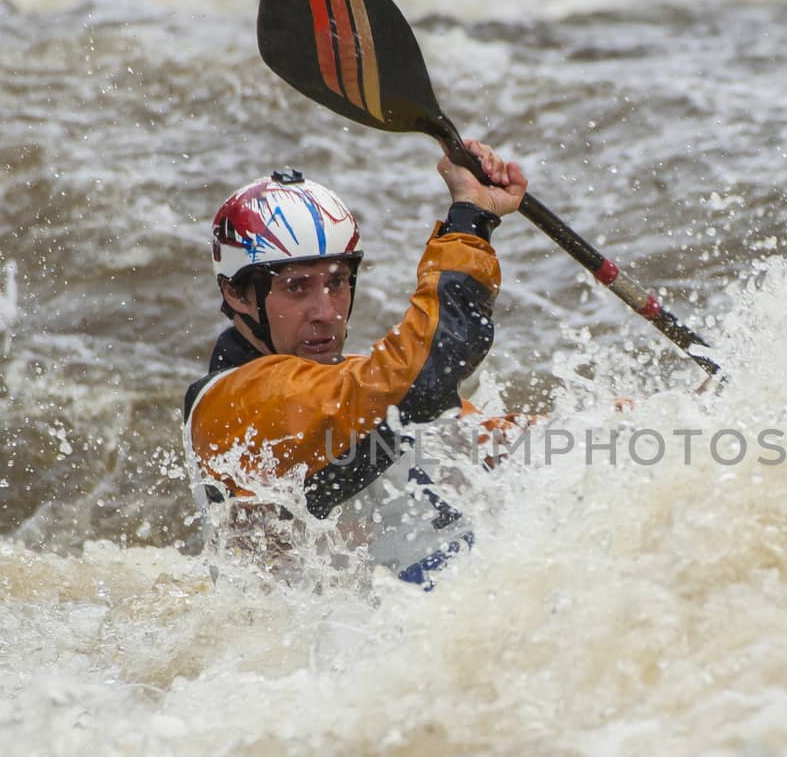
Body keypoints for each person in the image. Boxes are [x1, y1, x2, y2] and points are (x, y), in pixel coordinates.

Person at [182, 140, 528, 586]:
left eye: (338, 282)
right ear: (237, 294)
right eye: (297, 287)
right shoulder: (236, 403)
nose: (325, 310)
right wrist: (469, 221)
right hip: (324, 646)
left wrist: (621, 425)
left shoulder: (351, 384)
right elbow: (426, 373)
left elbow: (484, 441)